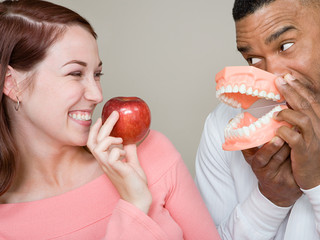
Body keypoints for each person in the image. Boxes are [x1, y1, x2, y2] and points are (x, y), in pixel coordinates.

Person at [0, 1, 220, 239]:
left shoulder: (150, 153)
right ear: (12, 84)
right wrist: (134, 204)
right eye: (75, 74)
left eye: (97, 74)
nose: (97, 95)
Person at [195, 0, 320, 239]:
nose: (274, 75)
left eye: (286, 45)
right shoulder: (223, 126)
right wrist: (271, 198)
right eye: (253, 59)